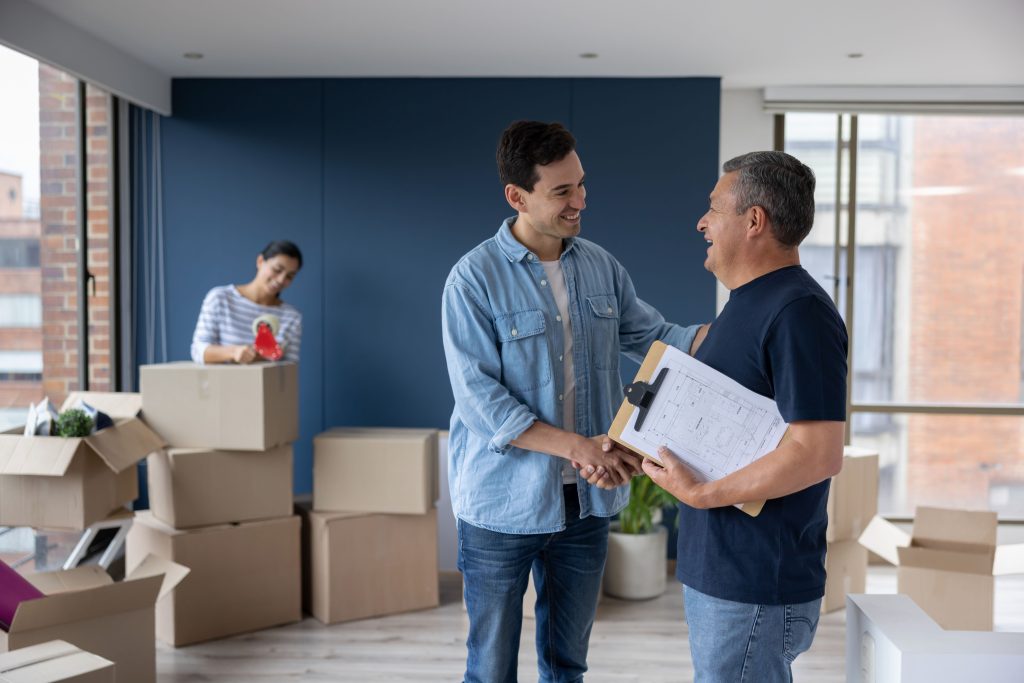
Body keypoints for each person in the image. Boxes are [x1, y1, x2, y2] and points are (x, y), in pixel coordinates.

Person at [441, 120, 701, 683]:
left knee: (568, 666)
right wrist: (580, 447)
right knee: (489, 669)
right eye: (562, 191)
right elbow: (482, 399)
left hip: (583, 508)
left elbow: (660, 339)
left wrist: (752, 328)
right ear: (517, 196)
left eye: (580, 184)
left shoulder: (600, 266)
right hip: (499, 507)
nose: (580, 200)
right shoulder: (472, 279)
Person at [641, 151, 848, 682]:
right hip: (722, 569)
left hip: (756, 578)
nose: (701, 222)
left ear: (754, 221)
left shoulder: (798, 311)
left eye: (714, 209)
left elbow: (817, 452)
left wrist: (701, 494)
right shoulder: (746, 304)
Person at [191, 240, 303, 364]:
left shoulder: (292, 317)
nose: (281, 280)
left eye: (289, 276)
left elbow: (290, 368)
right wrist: (234, 352)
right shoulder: (220, 298)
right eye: (277, 270)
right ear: (260, 261)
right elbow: (198, 350)